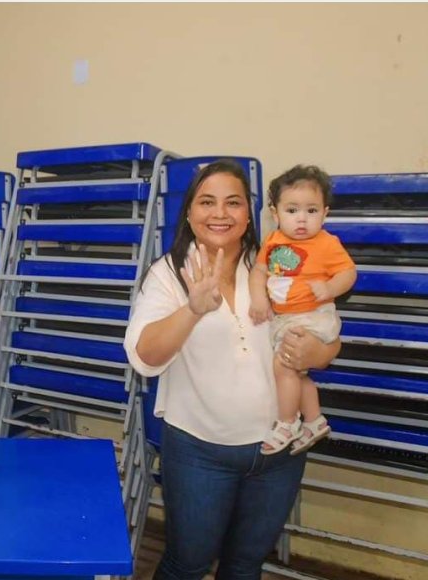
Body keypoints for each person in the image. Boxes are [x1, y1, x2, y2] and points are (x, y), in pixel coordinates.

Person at [124, 159, 340, 580]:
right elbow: (144, 357)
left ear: (250, 213)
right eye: (207, 202)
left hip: (280, 452)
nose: (220, 213)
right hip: (199, 454)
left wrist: (318, 353)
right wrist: (192, 309)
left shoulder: (277, 263)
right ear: (189, 213)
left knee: (244, 566)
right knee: (187, 565)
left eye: (233, 203)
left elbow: (327, 337)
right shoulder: (169, 274)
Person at [248, 165, 356, 456]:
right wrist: (259, 300)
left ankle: (286, 422)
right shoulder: (272, 241)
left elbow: (349, 273)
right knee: (295, 372)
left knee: (283, 365)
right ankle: (314, 420)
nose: (301, 219)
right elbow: (258, 273)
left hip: (313, 315)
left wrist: (331, 288)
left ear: (325, 213)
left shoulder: (327, 243)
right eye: (292, 210)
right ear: (275, 213)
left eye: (311, 211)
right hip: (286, 316)